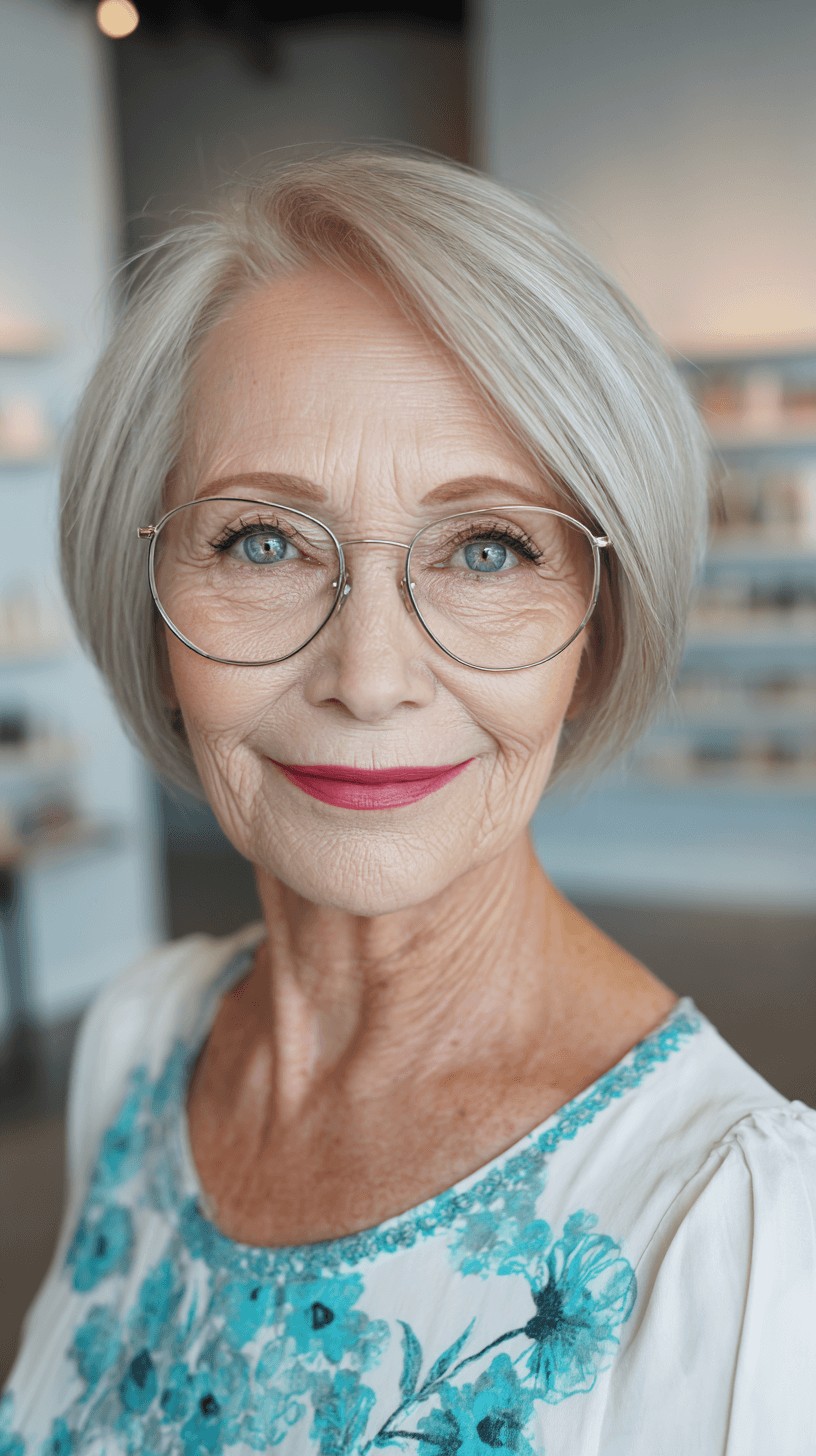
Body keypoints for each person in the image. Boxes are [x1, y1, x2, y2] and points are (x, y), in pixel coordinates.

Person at [2, 146, 814, 1455]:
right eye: (259, 541)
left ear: (595, 630)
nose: (369, 680)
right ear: (148, 608)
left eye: (487, 548)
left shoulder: (739, 1243)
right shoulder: (141, 1044)